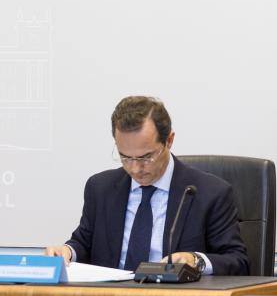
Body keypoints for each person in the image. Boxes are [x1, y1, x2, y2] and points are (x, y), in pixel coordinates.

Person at [46, 96, 249, 275]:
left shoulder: (209, 193)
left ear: (169, 140)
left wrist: (195, 260)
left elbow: (238, 261)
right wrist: (67, 252)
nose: (135, 168)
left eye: (146, 157)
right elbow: (83, 242)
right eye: (125, 157)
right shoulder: (100, 188)